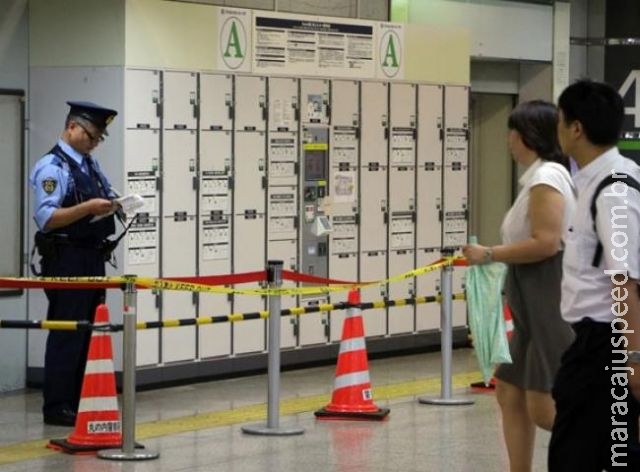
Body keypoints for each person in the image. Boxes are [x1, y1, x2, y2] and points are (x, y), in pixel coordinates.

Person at [462, 100, 576, 472]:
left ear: (529, 136)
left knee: (546, 406)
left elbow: (546, 242)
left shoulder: (547, 180)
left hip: (549, 293)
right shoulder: (536, 179)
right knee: (509, 392)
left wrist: (489, 254)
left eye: (512, 131)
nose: (508, 140)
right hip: (528, 296)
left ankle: (606, 445)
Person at [549, 79, 640, 471]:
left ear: (576, 128)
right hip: (598, 344)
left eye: (559, 120)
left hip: (607, 348)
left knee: (577, 457)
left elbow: (624, 281)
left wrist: (633, 360)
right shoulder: (600, 178)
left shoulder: (613, 191)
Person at [30, 101, 119, 426]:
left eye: (98, 138)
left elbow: (103, 198)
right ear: (72, 127)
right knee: (68, 331)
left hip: (91, 255)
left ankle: (81, 400)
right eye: (91, 135)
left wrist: (115, 206)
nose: (95, 142)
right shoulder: (53, 167)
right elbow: (47, 218)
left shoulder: (90, 165)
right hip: (67, 258)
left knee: (89, 331)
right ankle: (57, 405)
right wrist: (88, 208)